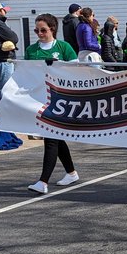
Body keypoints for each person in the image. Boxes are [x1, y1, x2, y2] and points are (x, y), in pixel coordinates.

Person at [24, 13, 80, 194]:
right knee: (56, 136)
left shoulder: (64, 47)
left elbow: (76, 71)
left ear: (52, 29)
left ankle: (43, 181)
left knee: (51, 138)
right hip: (40, 98)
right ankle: (71, 173)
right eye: (36, 30)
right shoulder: (31, 50)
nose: (39, 33)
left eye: (43, 30)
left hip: (60, 99)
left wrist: (57, 65)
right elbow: (27, 74)